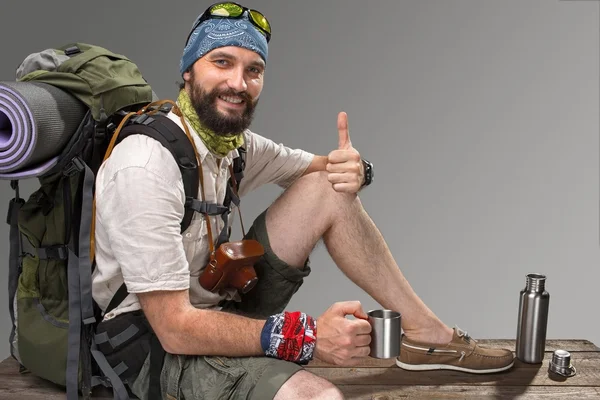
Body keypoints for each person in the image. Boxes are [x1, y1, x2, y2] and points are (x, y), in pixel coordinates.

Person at [91, 2, 515, 399]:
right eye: (221, 62)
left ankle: (429, 336)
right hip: (151, 346)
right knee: (320, 396)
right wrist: (304, 336)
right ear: (188, 70)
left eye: (253, 70)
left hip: (216, 302)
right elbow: (174, 329)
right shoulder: (144, 167)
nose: (238, 83)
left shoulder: (233, 146)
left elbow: (323, 170)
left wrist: (359, 170)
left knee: (326, 188)